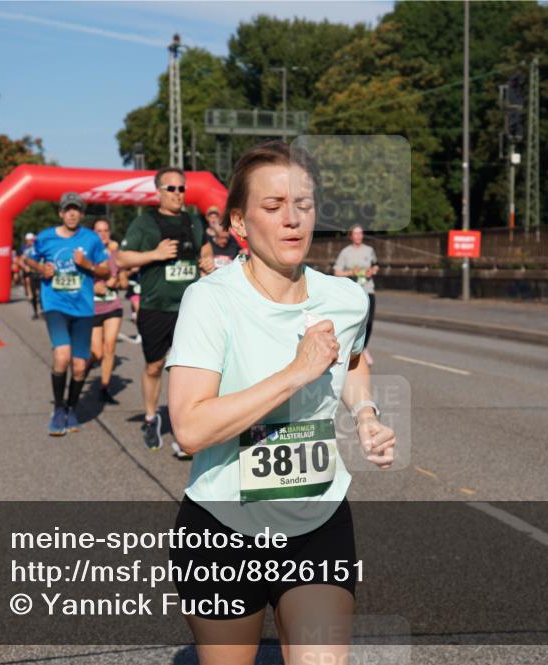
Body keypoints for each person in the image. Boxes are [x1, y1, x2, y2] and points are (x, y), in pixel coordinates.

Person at [166, 140, 396, 664]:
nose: (292, 219)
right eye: (272, 206)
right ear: (240, 223)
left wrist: (364, 414)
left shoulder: (346, 298)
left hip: (318, 520)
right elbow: (190, 428)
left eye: (303, 205)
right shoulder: (210, 300)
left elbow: (352, 361)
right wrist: (295, 373)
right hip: (223, 527)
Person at [117, 167, 214, 454]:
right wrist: (155, 254)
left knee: (190, 368)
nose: (177, 194)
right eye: (171, 188)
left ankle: (187, 426)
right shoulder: (144, 223)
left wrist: (207, 262)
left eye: (181, 188)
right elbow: (121, 258)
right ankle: (151, 418)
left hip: (190, 307)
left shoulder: (194, 221)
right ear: (158, 191)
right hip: (156, 306)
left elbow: (205, 250)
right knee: (154, 365)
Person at [21, 193, 110, 436]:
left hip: (83, 308)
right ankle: (58, 409)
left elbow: (106, 270)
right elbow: (27, 259)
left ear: (81, 214)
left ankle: (71, 409)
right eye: (68, 209)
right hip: (55, 305)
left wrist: (87, 264)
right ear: (61, 213)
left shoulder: (91, 239)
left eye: (76, 209)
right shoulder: (46, 237)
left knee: (79, 368)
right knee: (62, 357)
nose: (72, 213)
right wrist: (42, 268)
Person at [90, 219, 127, 404]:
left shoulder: (115, 254)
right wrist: (92, 288)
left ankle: (104, 388)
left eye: (105, 230)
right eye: (99, 231)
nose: (103, 234)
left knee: (110, 347)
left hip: (113, 306)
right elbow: (78, 281)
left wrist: (117, 282)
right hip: (92, 309)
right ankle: (84, 366)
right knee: (97, 353)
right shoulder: (87, 254)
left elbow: (125, 283)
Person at [333, 225, 378, 366]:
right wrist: (351, 272)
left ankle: (363, 347)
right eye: (356, 234)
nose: (359, 236)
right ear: (351, 236)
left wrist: (372, 271)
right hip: (352, 292)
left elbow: (376, 265)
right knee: (354, 321)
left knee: (369, 321)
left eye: (361, 233)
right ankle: (352, 350)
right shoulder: (345, 252)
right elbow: (337, 272)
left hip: (368, 289)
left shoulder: (369, 250)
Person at [19, 232, 43, 319]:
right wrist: (25, 267)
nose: (30, 242)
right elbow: (20, 260)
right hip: (31, 273)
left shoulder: (40, 247)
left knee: (41, 293)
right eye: (29, 240)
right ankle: (35, 312)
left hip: (40, 273)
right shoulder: (25, 249)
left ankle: (43, 310)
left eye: (32, 240)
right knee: (34, 294)